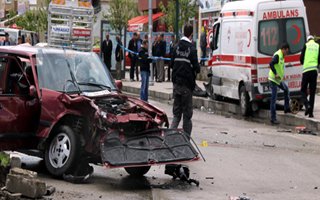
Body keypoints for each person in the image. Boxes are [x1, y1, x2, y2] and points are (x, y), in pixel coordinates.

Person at [170, 23, 200, 137]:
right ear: (191, 34)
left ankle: (169, 139)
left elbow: (171, 64)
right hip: (187, 86)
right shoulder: (192, 49)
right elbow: (197, 68)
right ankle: (186, 141)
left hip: (176, 85)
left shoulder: (176, 47)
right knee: (187, 116)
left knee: (176, 115)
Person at [268, 42, 291, 125]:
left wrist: (280, 75)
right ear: (284, 49)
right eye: (286, 51)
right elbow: (271, 64)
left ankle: (286, 108)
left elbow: (279, 67)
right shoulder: (278, 55)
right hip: (273, 80)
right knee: (274, 99)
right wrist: (276, 73)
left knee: (286, 90)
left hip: (278, 80)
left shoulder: (282, 55)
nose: (287, 53)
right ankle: (273, 118)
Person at [300, 35, 320, 118]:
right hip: (314, 71)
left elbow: (301, 59)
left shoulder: (306, 45)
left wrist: (304, 63)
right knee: (312, 92)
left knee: (303, 90)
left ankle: (307, 105)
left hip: (306, 71)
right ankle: (311, 113)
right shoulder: (318, 46)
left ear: (308, 40)